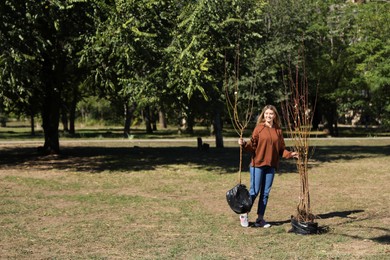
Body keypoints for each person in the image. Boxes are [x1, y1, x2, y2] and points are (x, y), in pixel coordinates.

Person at [238, 105, 298, 228]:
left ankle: (260, 219)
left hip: (271, 166)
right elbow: (252, 145)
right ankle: (244, 214)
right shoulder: (259, 128)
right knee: (254, 191)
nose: (268, 116)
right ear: (263, 115)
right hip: (257, 165)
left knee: (265, 193)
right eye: (266, 114)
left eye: (271, 114)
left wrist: (290, 154)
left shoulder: (278, 130)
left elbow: (281, 149)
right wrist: (244, 144)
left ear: (275, 115)